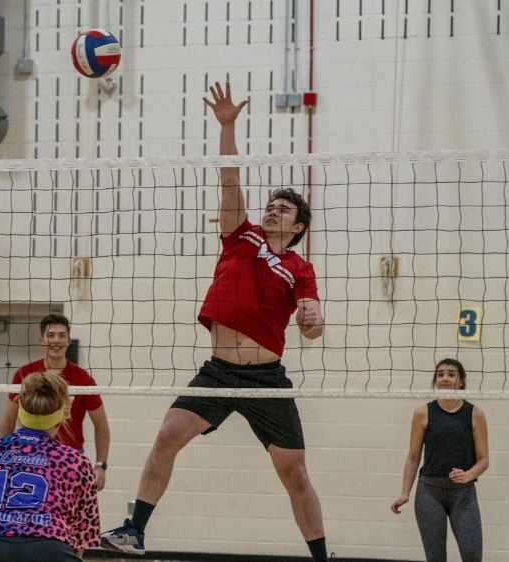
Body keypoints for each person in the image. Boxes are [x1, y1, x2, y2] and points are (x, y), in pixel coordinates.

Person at [101, 82, 328, 560]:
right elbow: (229, 181)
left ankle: (321, 556)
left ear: (298, 227)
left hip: (265, 379)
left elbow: (312, 323)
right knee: (166, 437)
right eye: (271, 205)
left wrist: (312, 318)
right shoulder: (239, 236)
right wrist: (227, 126)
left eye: (283, 209)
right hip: (219, 371)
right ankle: (134, 532)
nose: (272, 210)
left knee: (294, 474)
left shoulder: (300, 268)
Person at [0, 371, 101, 561]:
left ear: (19, 409)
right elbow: (84, 535)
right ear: (64, 413)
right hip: (49, 549)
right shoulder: (76, 461)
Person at [0, 313, 111, 491]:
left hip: (69, 459)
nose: (56, 340)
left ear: (68, 340)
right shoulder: (24, 374)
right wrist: (1, 459)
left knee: (69, 514)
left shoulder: (83, 379)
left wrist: (100, 465)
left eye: (61, 335)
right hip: (31, 457)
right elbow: (7, 422)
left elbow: (101, 424)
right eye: (51, 335)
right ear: (41, 340)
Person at [390, 359, 490, 562]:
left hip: (463, 493)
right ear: (435, 380)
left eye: (451, 374)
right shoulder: (423, 413)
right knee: (435, 557)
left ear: (461, 381)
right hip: (429, 491)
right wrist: (404, 493)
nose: (445, 378)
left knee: (472, 553)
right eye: (441, 374)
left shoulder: (475, 414)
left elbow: (484, 460)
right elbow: (413, 457)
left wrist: (468, 474)